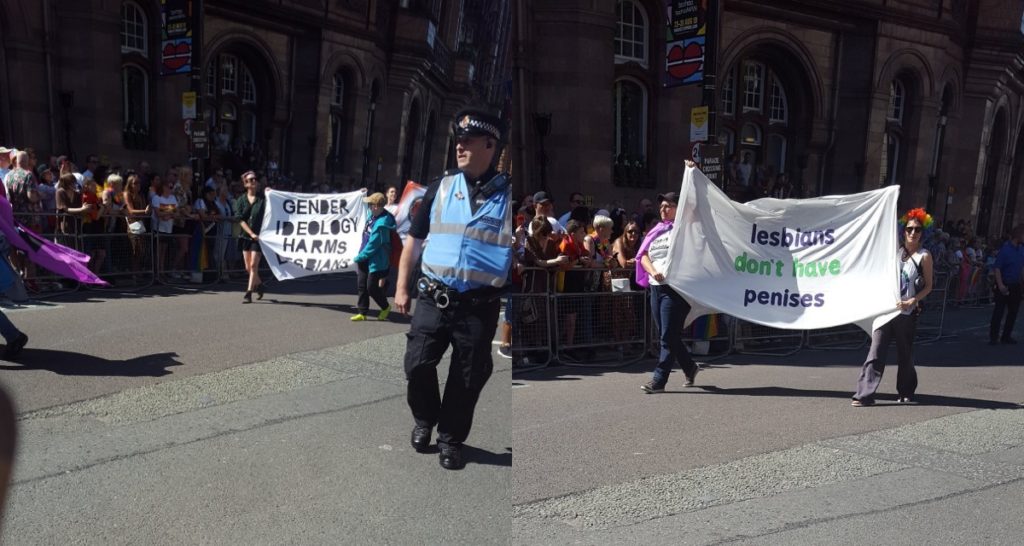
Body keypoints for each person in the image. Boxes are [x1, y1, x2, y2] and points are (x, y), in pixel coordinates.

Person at [394, 108, 511, 470]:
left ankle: (450, 438)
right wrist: (402, 288)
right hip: (433, 294)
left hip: (479, 304)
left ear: (490, 146)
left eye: (468, 141)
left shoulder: (509, 196)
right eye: (457, 141)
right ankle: (424, 418)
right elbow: (413, 241)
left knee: (467, 375)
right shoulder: (441, 186)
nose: (459, 146)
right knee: (417, 364)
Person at [852, 208, 935, 406]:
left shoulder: (924, 256)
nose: (913, 233)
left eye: (917, 230)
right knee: (876, 350)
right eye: (909, 229)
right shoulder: (895, 252)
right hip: (886, 311)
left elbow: (929, 286)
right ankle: (864, 394)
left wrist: (913, 301)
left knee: (904, 354)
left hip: (906, 313)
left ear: (923, 233)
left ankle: (906, 390)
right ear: (903, 231)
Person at [637, 190, 700, 393]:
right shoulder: (655, 231)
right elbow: (644, 256)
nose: (663, 209)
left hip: (676, 289)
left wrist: (693, 170)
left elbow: (698, 209)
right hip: (656, 288)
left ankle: (659, 380)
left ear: (678, 208)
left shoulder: (685, 229)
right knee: (669, 336)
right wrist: (653, 271)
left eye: (669, 206)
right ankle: (690, 367)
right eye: (662, 206)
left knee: (667, 336)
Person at [351, 192, 396, 322]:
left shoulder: (382, 223)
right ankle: (362, 312)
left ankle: (385, 307)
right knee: (361, 285)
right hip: (364, 256)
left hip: (376, 261)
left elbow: (373, 245)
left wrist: (358, 257)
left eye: (370, 204)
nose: (369, 206)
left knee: (371, 287)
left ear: (376, 206)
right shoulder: (373, 215)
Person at [988, 224, 1024, 345]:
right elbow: (997, 268)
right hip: (1004, 283)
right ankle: (993, 337)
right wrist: (1001, 285)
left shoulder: (1022, 250)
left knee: (1013, 312)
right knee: (999, 312)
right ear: (1018, 235)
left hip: (1016, 285)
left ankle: (1006, 336)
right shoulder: (1005, 249)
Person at [234, 171, 266, 303]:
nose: (254, 181)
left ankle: (248, 292)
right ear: (246, 183)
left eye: (255, 179)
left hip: (258, 237)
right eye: (251, 180)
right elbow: (240, 219)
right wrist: (250, 233)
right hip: (245, 236)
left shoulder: (262, 199)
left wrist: (270, 193)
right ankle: (259, 285)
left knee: (253, 265)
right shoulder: (241, 200)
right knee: (248, 267)